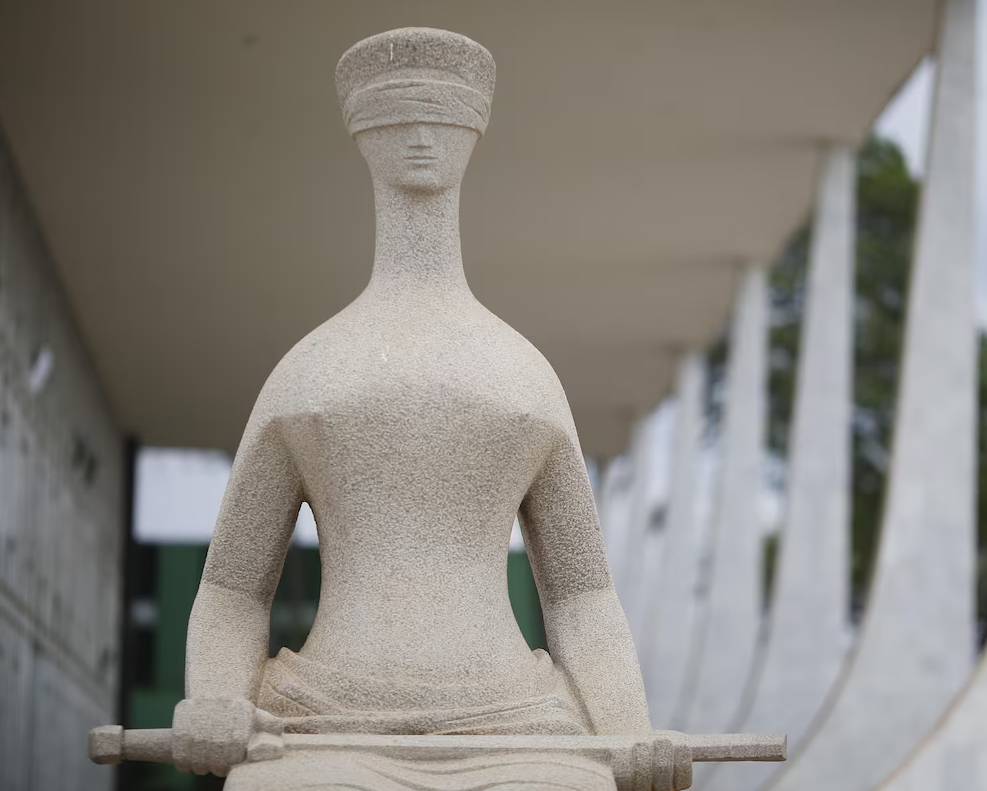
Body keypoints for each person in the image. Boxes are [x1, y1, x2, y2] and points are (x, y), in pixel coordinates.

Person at [173, 28, 651, 791]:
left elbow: (581, 593)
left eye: (443, 117)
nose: (422, 138)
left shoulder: (522, 375)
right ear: (361, 135)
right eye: (399, 118)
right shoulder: (309, 371)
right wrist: (215, 699)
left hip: (516, 721)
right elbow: (233, 586)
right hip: (323, 719)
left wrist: (630, 729)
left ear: (475, 132)